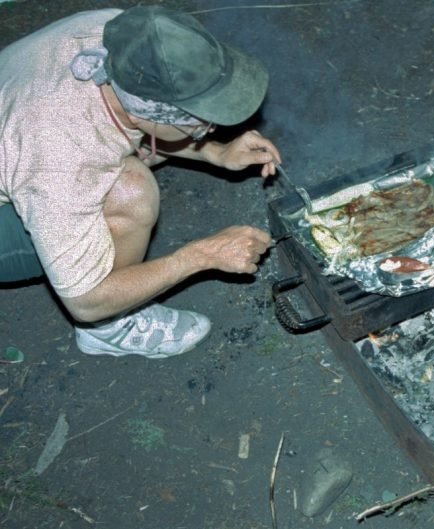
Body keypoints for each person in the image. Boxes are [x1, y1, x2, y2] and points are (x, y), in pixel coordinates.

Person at [0, 6, 282, 359]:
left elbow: (148, 123)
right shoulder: (61, 159)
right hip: (29, 179)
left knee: (120, 159)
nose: (210, 129)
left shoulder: (129, 37)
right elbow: (86, 301)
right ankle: (108, 331)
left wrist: (215, 151)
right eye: (200, 125)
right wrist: (201, 255)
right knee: (132, 190)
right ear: (138, 114)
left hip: (25, 138)